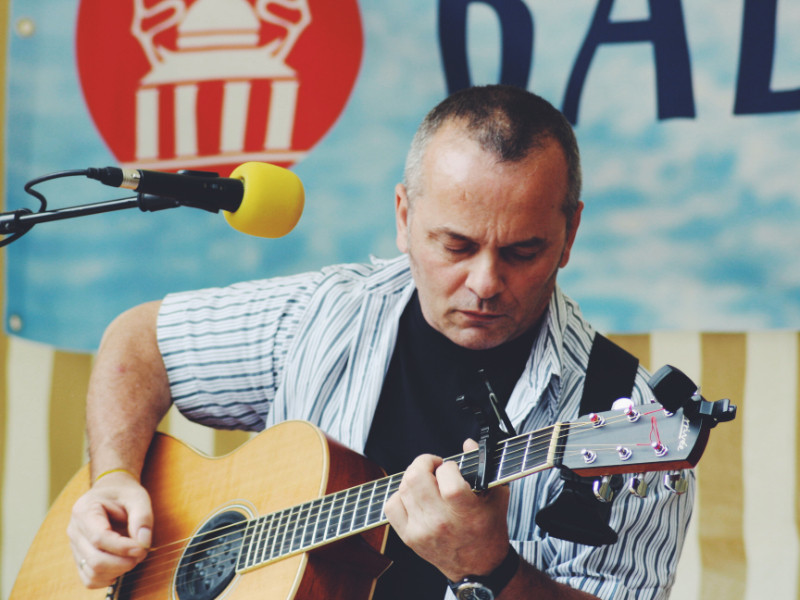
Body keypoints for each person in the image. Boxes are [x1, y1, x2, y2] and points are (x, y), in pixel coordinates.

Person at [67, 85, 694, 599]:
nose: (485, 282)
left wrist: (493, 570)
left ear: (569, 233)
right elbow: (139, 338)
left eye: (522, 252)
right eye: (456, 245)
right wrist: (114, 480)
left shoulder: (622, 415)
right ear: (403, 217)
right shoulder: (324, 314)